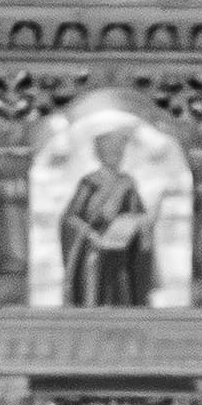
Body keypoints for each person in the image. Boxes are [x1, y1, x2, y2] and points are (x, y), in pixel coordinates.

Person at [56, 124, 157, 306]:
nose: (115, 157)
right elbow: (71, 218)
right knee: (95, 293)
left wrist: (142, 225)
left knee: (122, 292)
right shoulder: (89, 183)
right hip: (93, 252)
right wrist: (91, 235)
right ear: (100, 155)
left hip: (122, 254)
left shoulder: (127, 183)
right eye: (111, 153)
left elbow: (138, 215)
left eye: (118, 153)